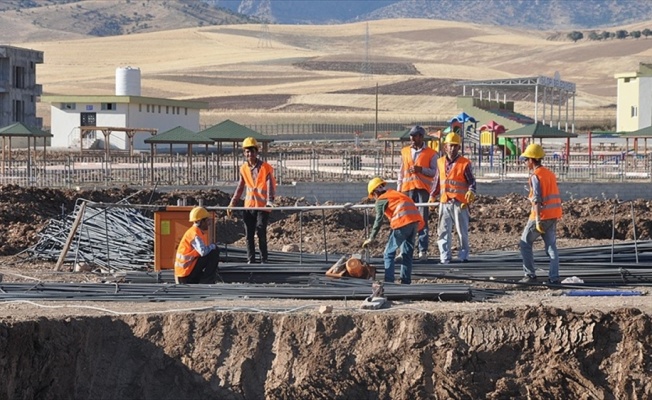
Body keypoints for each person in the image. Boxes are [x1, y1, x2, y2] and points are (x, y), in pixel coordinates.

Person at [362, 177, 425, 284]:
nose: (374, 197)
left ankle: (389, 281)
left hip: (403, 223)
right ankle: (405, 281)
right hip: (414, 223)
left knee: (388, 253)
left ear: (375, 191)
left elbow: (378, 219)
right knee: (407, 254)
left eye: (373, 195)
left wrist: (371, 237)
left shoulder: (381, 200)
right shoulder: (394, 194)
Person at [429, 132, 477, 264]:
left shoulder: (464, 163)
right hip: (444, 201)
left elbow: (471, 181)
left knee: (462, 232)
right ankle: (445, 257)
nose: (453, 148)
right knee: (443, 231)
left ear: (459, 147)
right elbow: (437, 181)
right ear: (445, 147)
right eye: (451, 145)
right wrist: (432, 196)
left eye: (455, 146)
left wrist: (471, 191)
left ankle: (463, 256)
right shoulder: (440, 162)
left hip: (459, 202)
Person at [228, 137, 276, 264]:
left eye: (252, 151)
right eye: (247, 152)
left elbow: (270, 184)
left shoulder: (265, 167)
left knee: (261, 232)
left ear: (256, 152)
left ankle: (264, 260)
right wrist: (233, 202)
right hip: (249, 207)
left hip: (262, 206)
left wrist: (270, 201)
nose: (250, 154)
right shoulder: (243, 168)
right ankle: (251, 260)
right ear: (244, 153)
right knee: (249, 235)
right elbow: (240, 186)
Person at [518, 143, 562, 284]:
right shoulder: (549, 174)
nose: (525, 162)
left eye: (525, 159)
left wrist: (537, 220)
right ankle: (554, 278)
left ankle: (530, 275)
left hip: (540, 216)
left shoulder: (535, 176)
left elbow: (537, 199)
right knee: (551, 247)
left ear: (531, 160)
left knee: (524, 243)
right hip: (552, 215)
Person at [397, 125, 437, 261]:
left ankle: (422, 250)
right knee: (405, 220)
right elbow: (401, 173)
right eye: (411, 136)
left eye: (415, 136)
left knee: (422, 220)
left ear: (421, 137)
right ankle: (404, 251)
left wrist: (421, 170)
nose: (412, 139)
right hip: (407, 190)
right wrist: (399, 190)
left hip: (422, 190)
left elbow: (434, 172)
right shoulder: (405, 152)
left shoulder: (431, 153)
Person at [174, 206, 220, 284]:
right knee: (214, 251)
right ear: (200, 221)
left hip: (186, 271)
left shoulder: (196, 232)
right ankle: (207, 281)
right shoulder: (195, 234)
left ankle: (203, 278)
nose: (208, 223)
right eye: (207, 220)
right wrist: (213, 246)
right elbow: (203, 252)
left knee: (212, 251)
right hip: (186, 274)